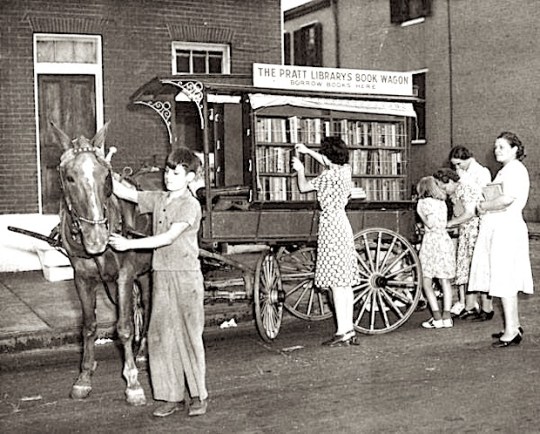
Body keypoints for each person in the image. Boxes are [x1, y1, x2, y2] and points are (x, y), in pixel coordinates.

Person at [108, 147, 208, 416]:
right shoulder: (160, 199)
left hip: (185, 277)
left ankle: (198, 395)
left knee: (188, 335)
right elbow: (127, 193)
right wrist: (104, 168)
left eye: (175, 173)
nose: (168, 177)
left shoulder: (190, 205)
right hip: (161, 275)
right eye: (167, 171)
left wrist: (130, 243)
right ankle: (169, 396)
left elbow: (168, 238)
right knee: (160, 336)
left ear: (189, 177)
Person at [292, 137, 360, 346]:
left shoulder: (328, 176)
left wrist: (300, 169)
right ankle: (348, 329)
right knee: (345, 283)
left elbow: (303, 188)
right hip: (343, 224)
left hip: (330, 226)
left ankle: (342, 331)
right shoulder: (345, 170)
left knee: (336, 284)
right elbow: (327, 160)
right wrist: (307, 151)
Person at [468, 132, 533, 347]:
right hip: (500, 229)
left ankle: (512, 330)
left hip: (506, 230)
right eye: (496, 147)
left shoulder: (515, 170)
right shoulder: (506, 170)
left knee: (504, 279)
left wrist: (483, 206)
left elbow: (506, 199)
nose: (497, 150)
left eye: (502, 147)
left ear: (515, 149)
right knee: (503, 278)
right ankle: (512, 325)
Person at [433, 167, 490, 321]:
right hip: (466, 232)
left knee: (478, 269)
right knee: (467, 270)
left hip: (475, 232)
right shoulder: (456, 192)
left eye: (444, 187)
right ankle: (470, 306)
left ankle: (487, 308)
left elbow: (469, 213)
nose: (443, 190)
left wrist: (448, 224)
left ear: (451, 181)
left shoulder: (466, 188)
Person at [447, 146, 492, 317]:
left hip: (477, 220)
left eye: (459, 164)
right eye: (455, 166)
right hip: (467, 223)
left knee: (479, 265)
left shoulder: (481, 172)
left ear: (468, 159)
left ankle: (486, 306)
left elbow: (483, 196)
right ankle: (470, 304)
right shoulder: (463, 175)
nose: (457, 169)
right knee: (467, 265)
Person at [415, 176, 456, 329]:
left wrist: (421, 215)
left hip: (431, 242)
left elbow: (430, 224)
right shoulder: (442, 203)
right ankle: (447, 317)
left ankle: (436, 317)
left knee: (426, 281)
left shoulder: (423, 203)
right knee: (445, 280)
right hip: (444, 240)